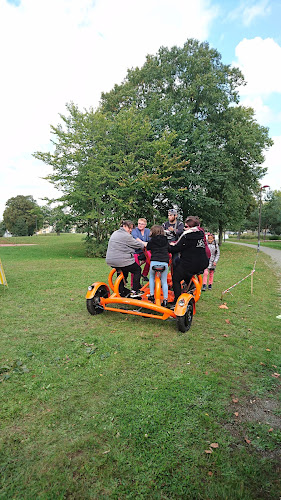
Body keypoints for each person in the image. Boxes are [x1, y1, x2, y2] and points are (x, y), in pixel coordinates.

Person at [169, 216, 209, 303]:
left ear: (190, 227)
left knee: (176, 278)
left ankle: (177, 300)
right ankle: (189, 285)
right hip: (203, 262)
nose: (184, 228)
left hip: (191, 263)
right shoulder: (200, 234)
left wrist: (167, 246)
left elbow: (177, 248)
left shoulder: (187, 235)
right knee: (182, 267)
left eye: (186, 226)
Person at [106, 220, 146, 297]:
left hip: (110, 260)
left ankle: (120, 290)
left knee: (123, 271)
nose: (130, 230)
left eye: (131, 229)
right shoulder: (126, 235)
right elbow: (137, 245)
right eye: (129, 228)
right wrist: (144, 244)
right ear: (124, 226)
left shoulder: (115, 233)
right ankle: (135, 290)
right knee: (137, 270)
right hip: (121, 259)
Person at [146, 225, 170, 307]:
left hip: (154, 261)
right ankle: (165, 299)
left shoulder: (152, 240)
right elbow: (169, 248)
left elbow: (148, 247)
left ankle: (152, 295)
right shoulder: (166, 240)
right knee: (164, 281)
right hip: (164, 262)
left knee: (152, 277)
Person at [131, 218, 151, 282]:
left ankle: (144, 274)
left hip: (144, 251)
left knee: (150, 260)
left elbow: (150, 240)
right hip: (135, 251)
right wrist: (144, 243)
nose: (140, 225)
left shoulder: (148, 231)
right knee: (136, 268)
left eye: (142, 224)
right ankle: (133, 284)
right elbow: (136, 238)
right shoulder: (134, 230)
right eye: (139, 223)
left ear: (145, 225)